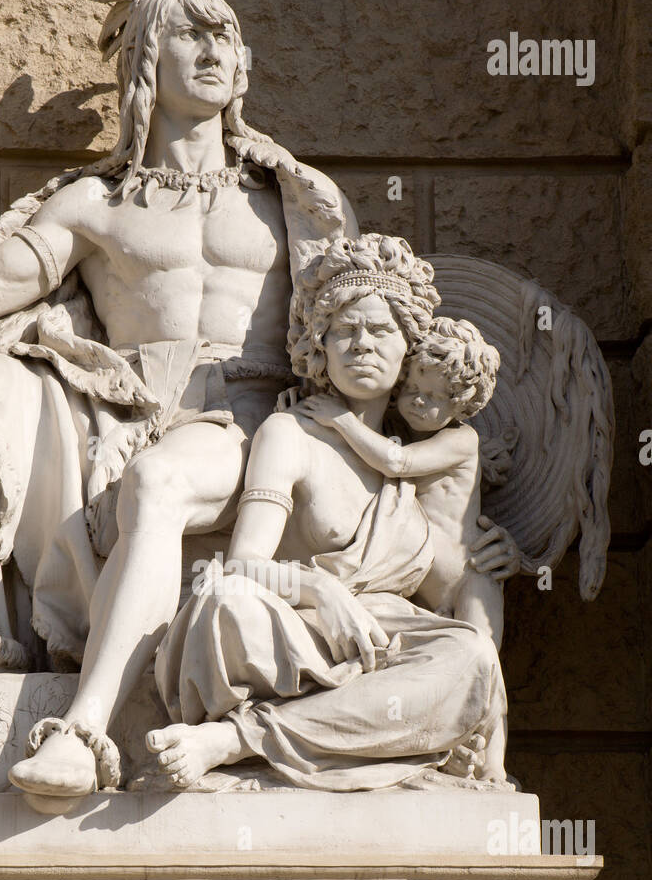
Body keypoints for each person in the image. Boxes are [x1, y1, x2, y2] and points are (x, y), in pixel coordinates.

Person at [0, 0, 358, 802]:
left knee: (159, 482)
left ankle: (84, 732)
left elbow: (363, 321)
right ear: (143, 63)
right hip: (114, 408)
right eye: (189, 33)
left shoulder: (294, 200)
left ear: (242, 69)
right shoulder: (94, 203)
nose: (214, 51)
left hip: (252, 422)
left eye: (225, 36)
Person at [148, 235, 510, 790]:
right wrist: (323, 592)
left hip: (387, 643)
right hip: (297, 629)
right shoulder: (290, 432)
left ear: (410, 346)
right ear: (320, 346)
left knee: (469, 658)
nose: (361, 344)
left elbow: (445, 598)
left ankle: (237, 739)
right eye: (344, 330)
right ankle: (341, 733)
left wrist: (492, 557)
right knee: (224, 604)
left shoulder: (425, 459)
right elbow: (243, 565)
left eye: (381, 329)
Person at [298, 314, 507, 644]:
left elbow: (398, 462)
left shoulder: (461, 440)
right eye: (411, 388)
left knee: (479, 655)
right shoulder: (394, 430)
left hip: (467, 578)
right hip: (409, 582)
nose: (419, 401)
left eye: (434, 396)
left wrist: (341, 420)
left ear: (462, 405)